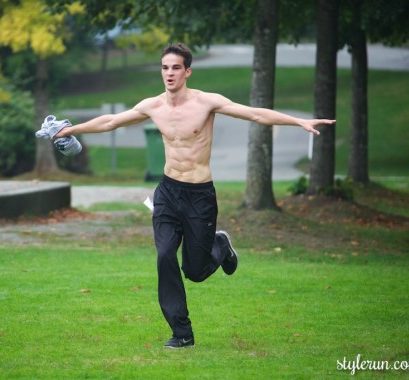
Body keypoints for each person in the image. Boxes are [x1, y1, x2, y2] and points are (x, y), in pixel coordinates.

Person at [54, 43, 336, 348]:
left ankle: (220, 244)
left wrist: (298, 121)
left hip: (199, 195)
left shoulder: (206, 103)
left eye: (176, 67)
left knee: (195, 271)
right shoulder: (153, 106)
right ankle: (182, 333)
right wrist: (70, 131)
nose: (170, 73)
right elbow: (110, 122)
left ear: (187, 71)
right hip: (167, 193)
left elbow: (254, 114)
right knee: (164, 256)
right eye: (165, 67)